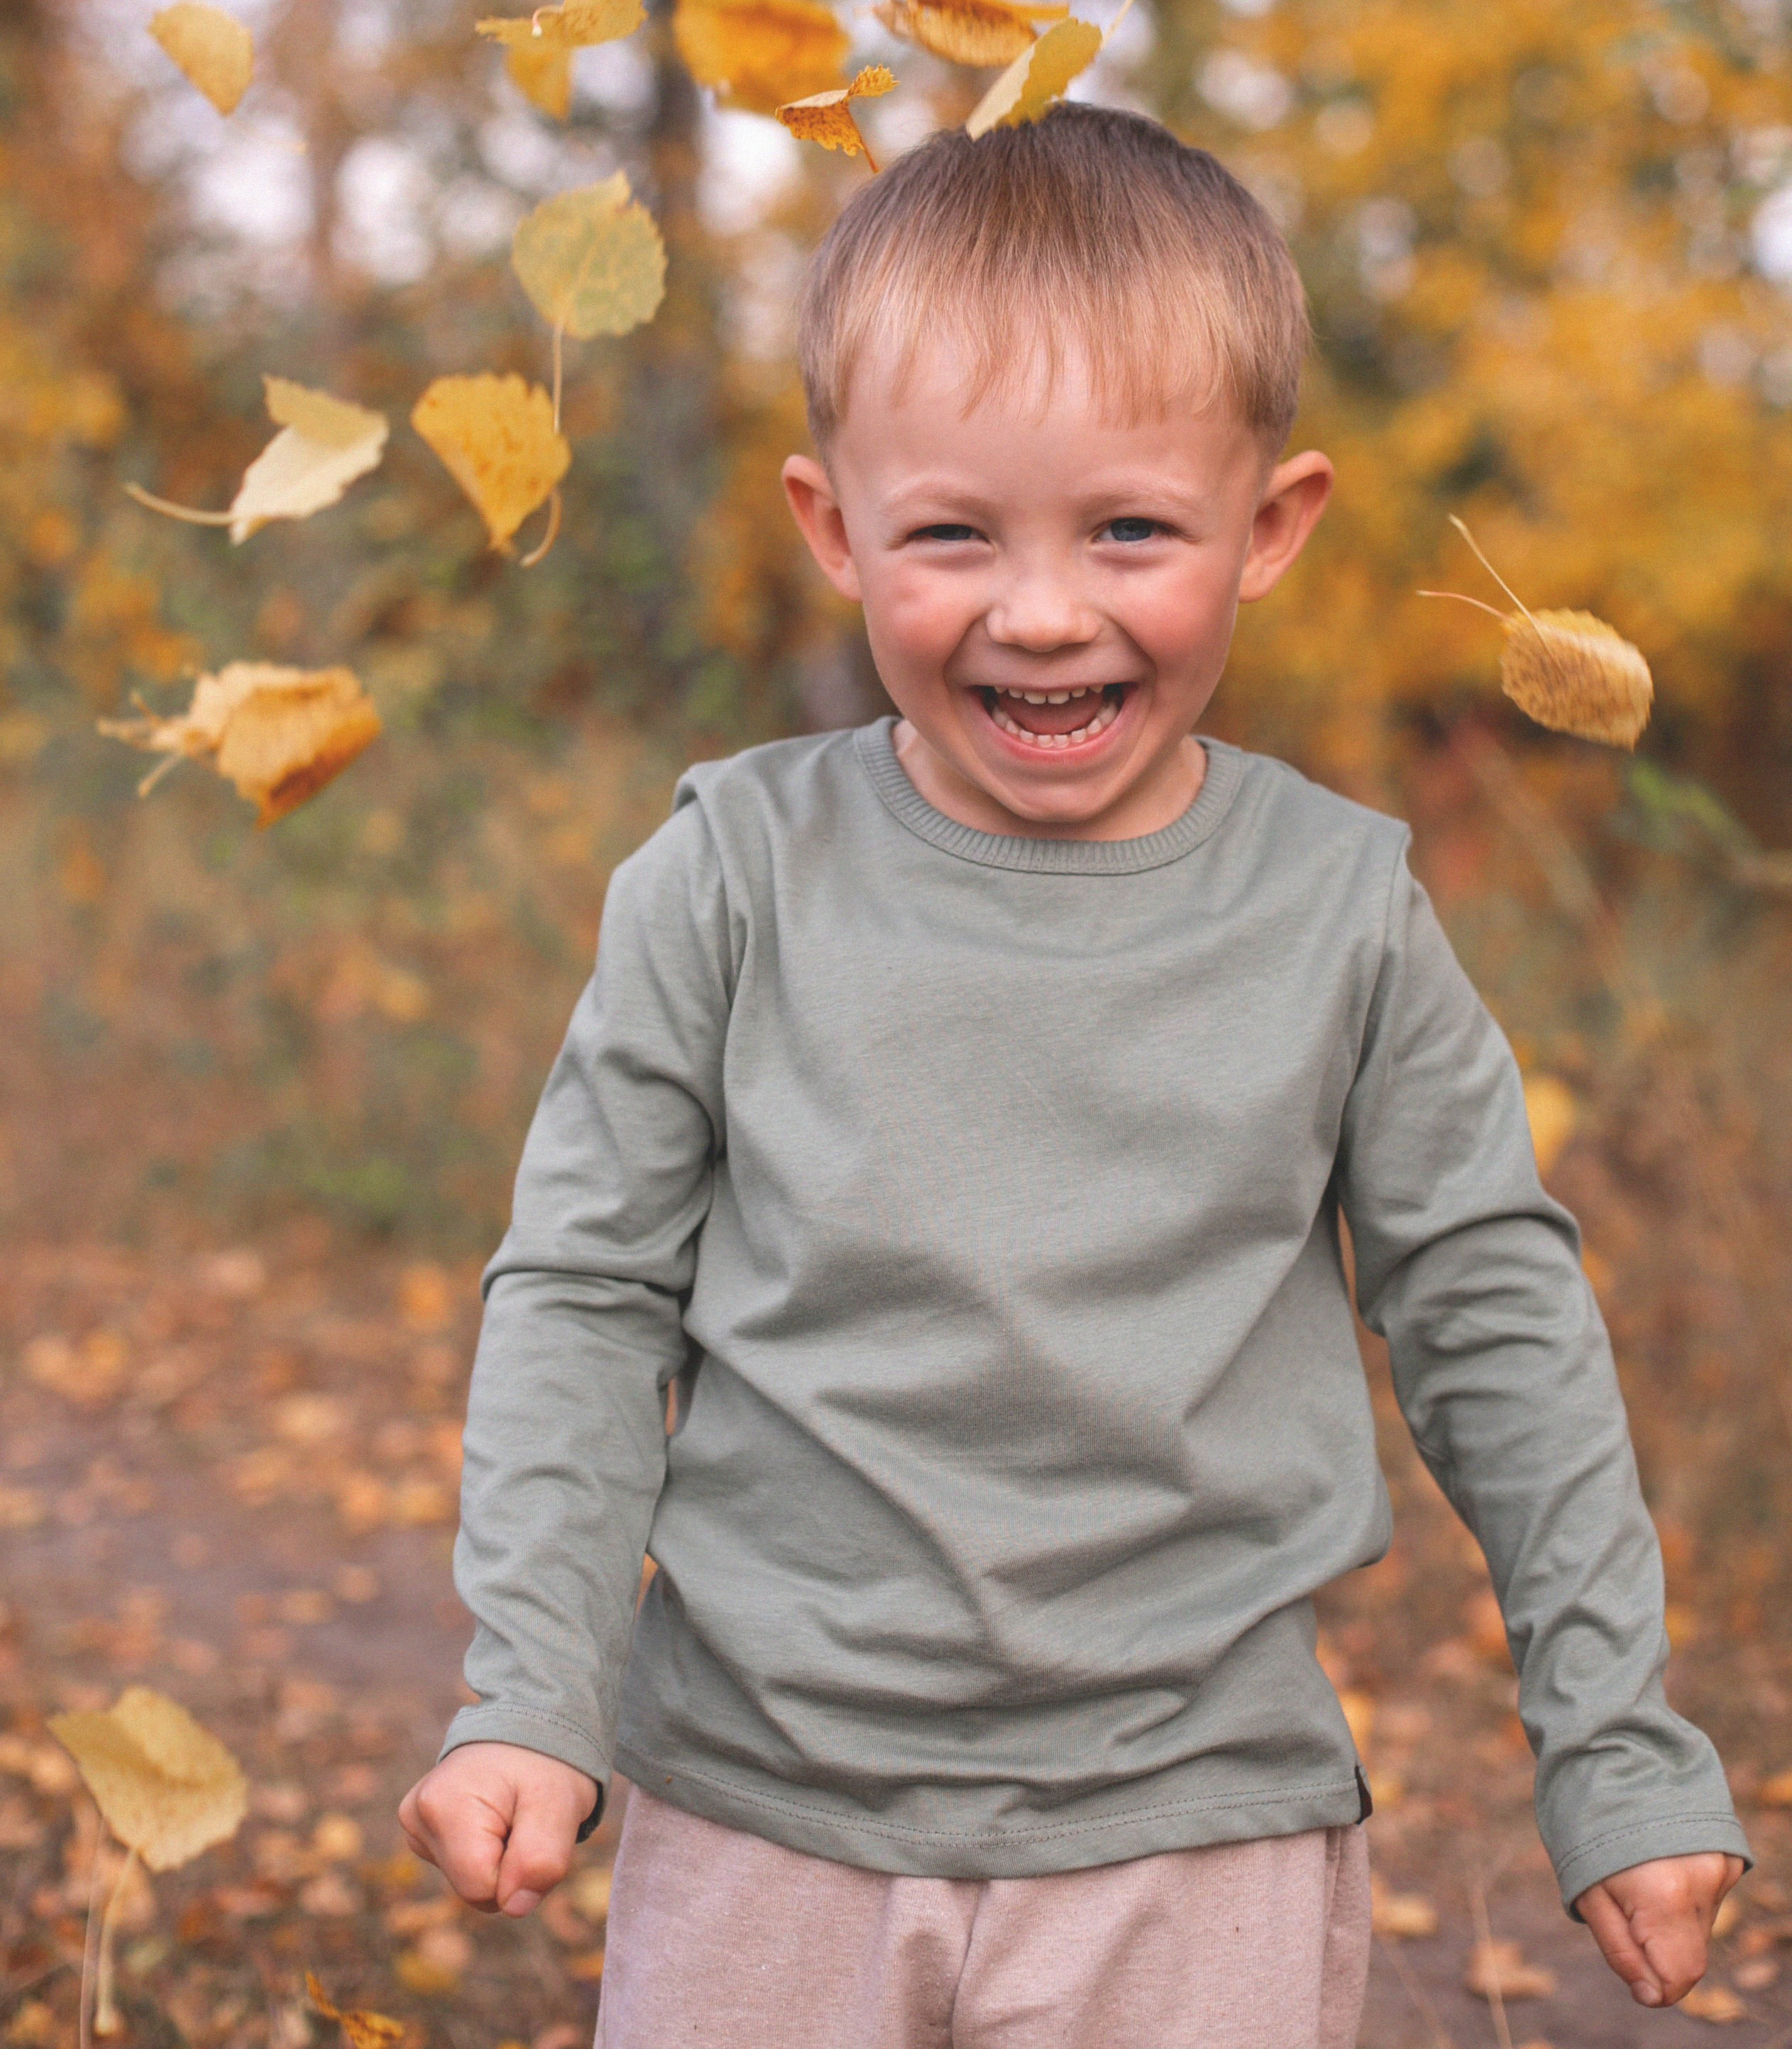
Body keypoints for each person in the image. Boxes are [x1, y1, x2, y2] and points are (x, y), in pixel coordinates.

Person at [400, 105, 1748, 2046]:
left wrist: (1616, 1745)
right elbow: (589, 1292)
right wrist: (530, 1683)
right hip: (765, 1812)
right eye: (953, 531)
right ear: (832, 524)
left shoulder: (1339, 910)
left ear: (1270, 526)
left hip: (1195, 1831)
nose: (1043, 610)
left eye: (1129, 526)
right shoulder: (731, 876)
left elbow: (1496, 1317)